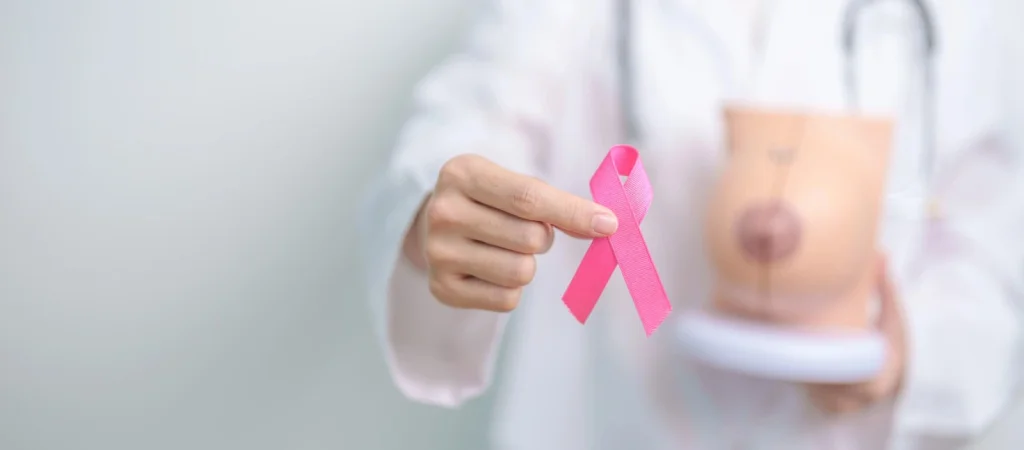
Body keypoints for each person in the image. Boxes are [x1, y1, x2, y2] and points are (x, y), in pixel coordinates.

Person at [359, 0, 1024, 448]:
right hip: (613, 422)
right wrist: (441, 221)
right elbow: (477, 117)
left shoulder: (972, 18)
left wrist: (911, 357)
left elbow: (992, 254)